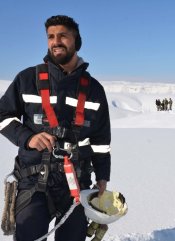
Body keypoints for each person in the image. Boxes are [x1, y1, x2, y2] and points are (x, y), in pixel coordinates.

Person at [0, 15, 111, 241]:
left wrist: (102, 177)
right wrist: (26, 137)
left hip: (77, 183)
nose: (55, 41)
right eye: (51, 37)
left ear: (76, 41)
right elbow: (2, 115)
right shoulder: (27, 79)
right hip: (33, 181)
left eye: (62, 36)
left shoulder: (94, 90)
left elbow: (100, 142)